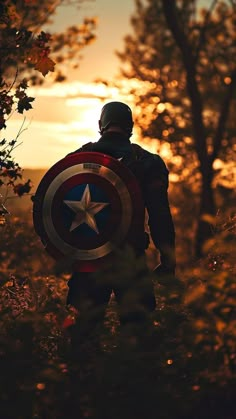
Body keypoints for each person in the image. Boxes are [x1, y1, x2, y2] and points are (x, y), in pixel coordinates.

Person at [66, 101, 176, 349]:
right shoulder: (148, 163)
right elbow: (159, 215)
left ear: (100, 126)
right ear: (130, 127)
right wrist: (168, 258)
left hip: (88, 259)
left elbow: (56, 207)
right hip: (131, 259)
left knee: (82, 341)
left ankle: (81, 387)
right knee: (139, 341)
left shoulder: (77, 159)